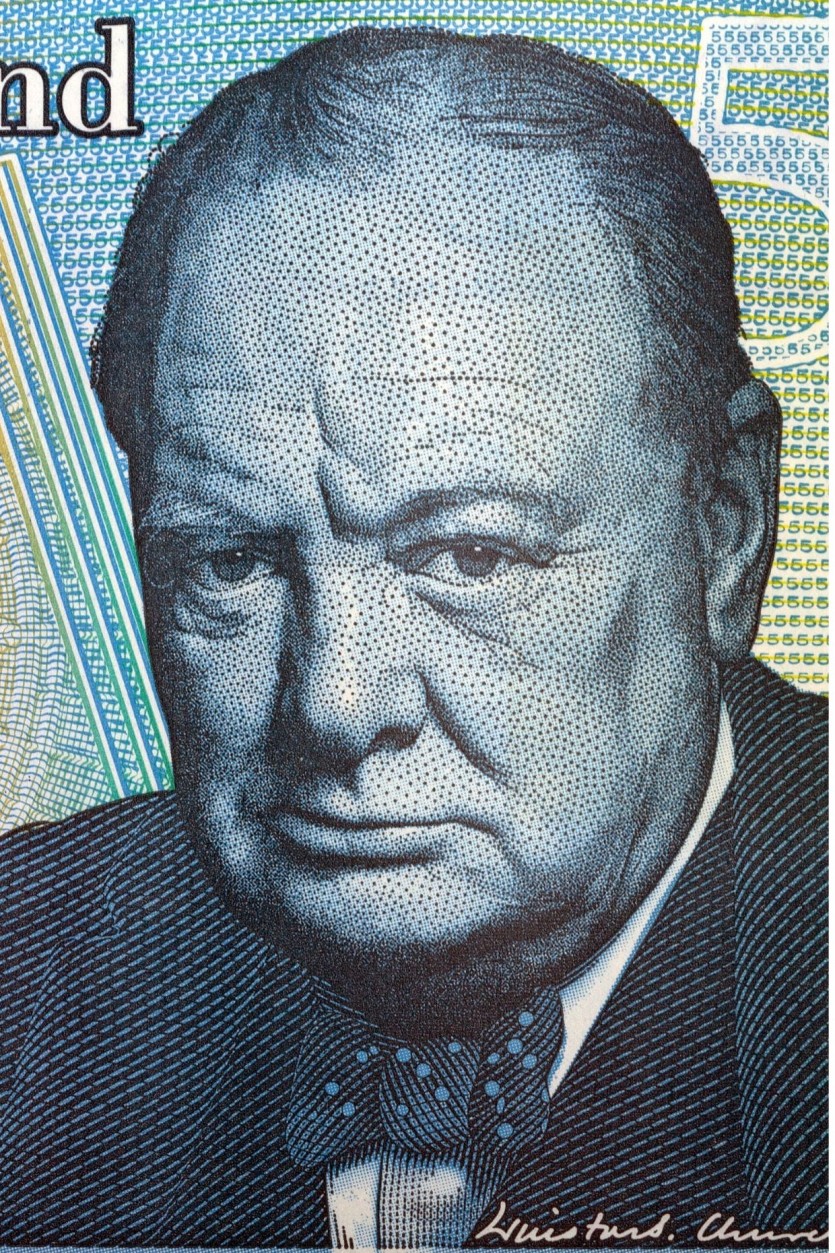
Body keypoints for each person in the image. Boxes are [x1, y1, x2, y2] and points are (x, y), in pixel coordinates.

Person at [0, 25, 826, 1247]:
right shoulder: (22, 963)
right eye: (231, 560)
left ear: (726, 529)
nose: (333, 704)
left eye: (470, 555)